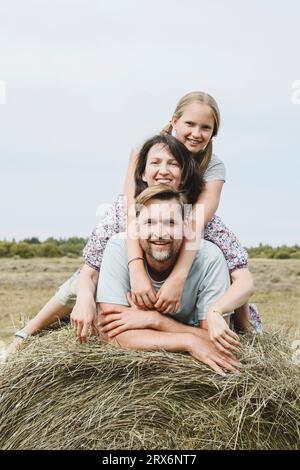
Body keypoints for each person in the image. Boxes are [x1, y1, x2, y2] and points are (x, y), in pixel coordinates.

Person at [7, 91, 262, 353]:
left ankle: (248, 333)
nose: (196, 133)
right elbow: (128, 217)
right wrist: (130, 274)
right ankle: (24, 335)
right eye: (190, 124)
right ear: (173, 121)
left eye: (205, 127)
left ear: (186, 176)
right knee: (83, 279)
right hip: (135, 246)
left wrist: (178, 280)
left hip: (189, 253)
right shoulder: (141, 161)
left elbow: (196, 227)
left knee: (224, 269)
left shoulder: (210, 177)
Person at [96, 185, 242, 377]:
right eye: (150, 222)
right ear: (136, 228)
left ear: (186, 227)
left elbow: (215, 339)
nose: (160, 233)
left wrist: (155, 320)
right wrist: (189, 341)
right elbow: (111, 334)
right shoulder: (118, 247)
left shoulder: (210, 258)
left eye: (171, 223)